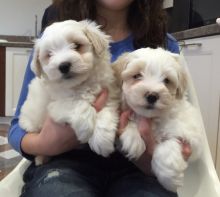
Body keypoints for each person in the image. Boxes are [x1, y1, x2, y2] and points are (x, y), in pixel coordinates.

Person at [8, 0, 191, 196]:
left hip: (137, 169)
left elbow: (177, 118)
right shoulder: (54, 34)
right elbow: (18, 128)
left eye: (76, 46)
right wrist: (45, 144)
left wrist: (159, 155)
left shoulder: (163, 42)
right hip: (64, 161)